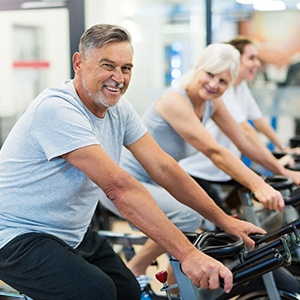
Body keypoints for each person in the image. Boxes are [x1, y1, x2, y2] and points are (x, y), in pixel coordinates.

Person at [0, 24, 266, 300]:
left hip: (70, 232)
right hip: (16, 234)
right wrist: (187, 254)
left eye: (126, 68)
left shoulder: (118, 109)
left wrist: (225, 221)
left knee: (128, 291)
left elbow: (163, 166)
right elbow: (118, 187)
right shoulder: (58, 109)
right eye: (108, 65)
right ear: (79, 63)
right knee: (97, 293)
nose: (118, 78)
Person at [99, 42, 298, 298]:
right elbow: (215, 152)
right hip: (126, 182)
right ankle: (135, 269)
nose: (214, 84)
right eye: (210, 74)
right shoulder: (174, 100)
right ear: (197, 68)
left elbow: (244, 141)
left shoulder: (211, 103)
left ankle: (174, 292)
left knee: (202, 225)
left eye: (223, 81)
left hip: (158, 183)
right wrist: (258, 185)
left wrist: (286, 174)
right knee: (187, 217)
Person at [179, 36, 300, 207]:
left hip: (225, 167)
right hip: (200, 169)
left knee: (257, 197)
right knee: (215, 222)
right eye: (251, 58)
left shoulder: (239, 88)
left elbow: (259, 122)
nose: (257, 64)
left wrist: (283, 149)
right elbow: (245, 134)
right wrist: (278, 166)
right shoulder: (221, 93)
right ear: (235, 59)